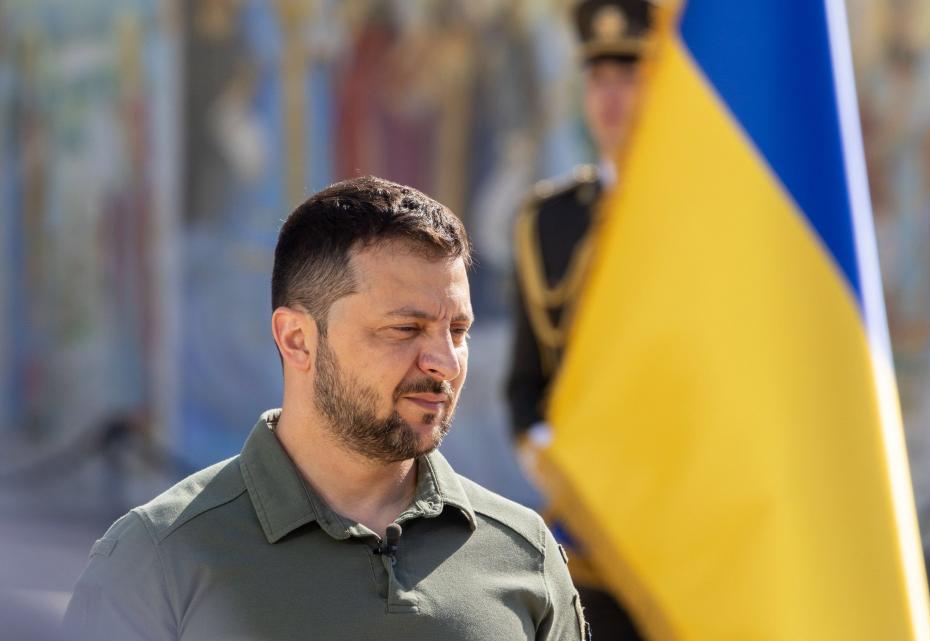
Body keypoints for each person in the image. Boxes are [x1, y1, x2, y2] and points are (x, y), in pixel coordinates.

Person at [64, 176, 585, 641]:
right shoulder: (156, 560)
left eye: (458, 331)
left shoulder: (527, 556)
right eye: (405, 329)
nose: (445, 363)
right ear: (297, 340)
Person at [506, 1, 652, 639]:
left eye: (629, 77)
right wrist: (555, 459)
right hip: (589, 540)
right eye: (598, 79)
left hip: (700, 530)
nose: (610, 97)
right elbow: (525, 383)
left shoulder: (715, 226)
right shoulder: (551, 220)